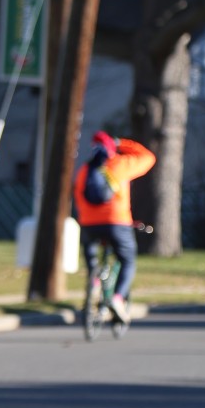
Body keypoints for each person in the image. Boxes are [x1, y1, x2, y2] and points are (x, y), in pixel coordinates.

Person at [73, 130, 156, 322]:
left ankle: (94, 283)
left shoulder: (85, 170)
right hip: (117, 222)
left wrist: (85, 218)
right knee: (128, 259)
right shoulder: (120, 164)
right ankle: (117, 299)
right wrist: (121, 143)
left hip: (89, 223)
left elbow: (77, 194)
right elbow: (148, 158)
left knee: (92, 256)